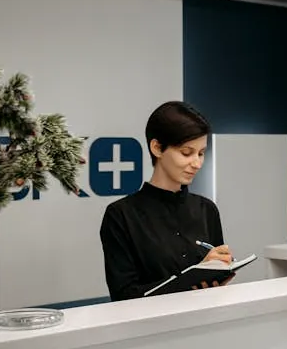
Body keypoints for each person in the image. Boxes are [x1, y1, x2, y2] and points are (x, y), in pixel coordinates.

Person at [100, 101, 234, 301]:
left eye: (201, 153)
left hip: (205, 324)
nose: (196, 163)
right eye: (186, 153)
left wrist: (219, 271)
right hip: (151, 329)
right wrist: (193, 277)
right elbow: (124, 296)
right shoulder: (121, 215)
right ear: (157, 148)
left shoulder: (207, 209)